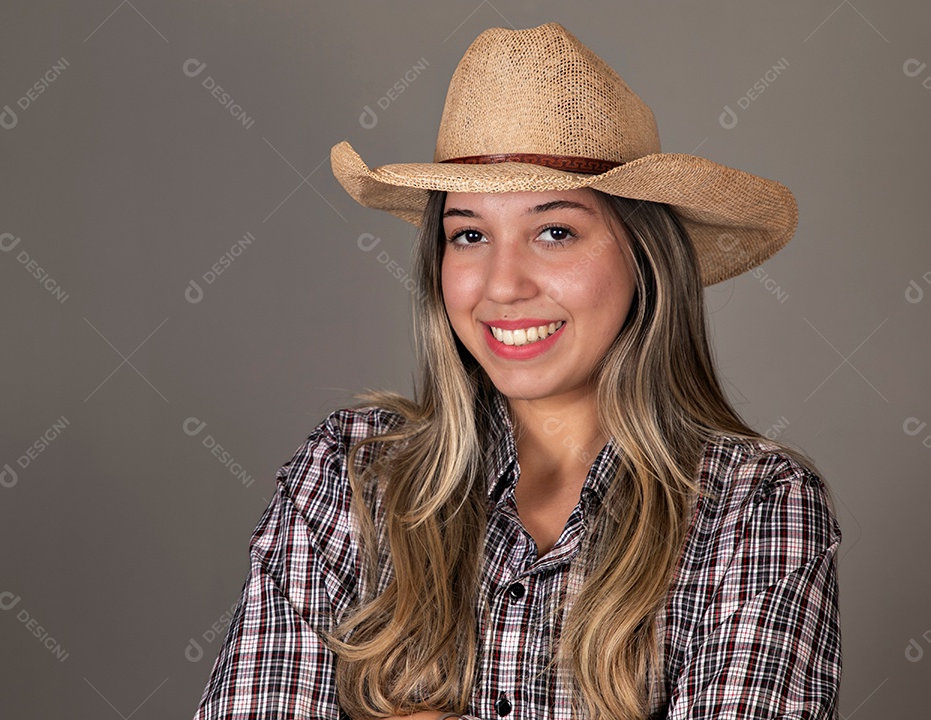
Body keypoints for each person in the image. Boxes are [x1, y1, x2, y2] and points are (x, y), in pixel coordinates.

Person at [193, 22, 841, 720]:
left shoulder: (755, 507)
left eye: (554, 231)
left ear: (643, 254)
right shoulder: (349, 475)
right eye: (469, 234)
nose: (502, 285)